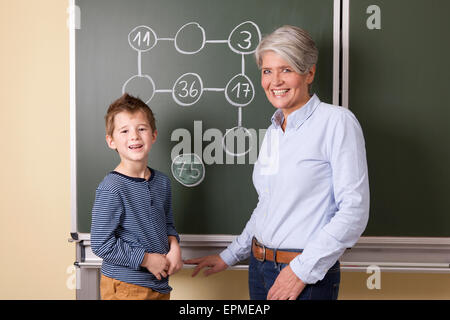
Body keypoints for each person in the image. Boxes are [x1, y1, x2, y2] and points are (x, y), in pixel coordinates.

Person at [185, 25, 369, 300]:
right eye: (267, 71)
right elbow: (267, 205)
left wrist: (300, 271)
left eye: (286, 69)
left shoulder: (336, 123)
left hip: (305, 274)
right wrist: (229, 256)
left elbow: (353, 212)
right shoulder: (274, 130)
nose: (275, 81)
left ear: (309, 73)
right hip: (259, 269)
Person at [91, 93, 183, 300]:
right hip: (125, 286)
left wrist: (175, 246)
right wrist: (146, 259)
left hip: (158, 284)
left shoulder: (162, 182)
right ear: (111, 141)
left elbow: (167, 224)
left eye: (141, 129)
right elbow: (101, 243)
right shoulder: (112, 187)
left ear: (153, 135)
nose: (134, 136)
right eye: (124, 131)